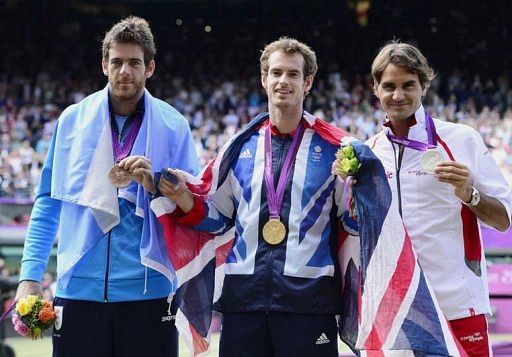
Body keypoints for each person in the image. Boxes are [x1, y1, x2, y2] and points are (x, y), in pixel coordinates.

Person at [145, 37, 356, 357]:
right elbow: (217, 218)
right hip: (244, 305)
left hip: (309, 307)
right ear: (264, 79)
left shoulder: (335, 150)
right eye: (276, 72)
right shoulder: (239, 147)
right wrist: (182, 198)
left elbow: (353, 223)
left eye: (293, 74)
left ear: (307, 82)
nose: (283, 81)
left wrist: (362, 184)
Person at [15, 16, 200, 357]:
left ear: (150, 68)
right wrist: (30, 276)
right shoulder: (72, 121)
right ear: (104, 65)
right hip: (78, 292)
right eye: (117, 62)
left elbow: (195, 208)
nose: (125, 72)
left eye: (134, 63)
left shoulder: (174, 126)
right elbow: (47, 203)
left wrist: (158, 183)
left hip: (151, 292)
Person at [366, 40, 512, 356]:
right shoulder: (369, 153)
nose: (398, 95)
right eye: (389, 85)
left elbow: (503, 220)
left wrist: (468, 195)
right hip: (399, 310)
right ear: (376, 88)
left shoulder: (462, 139)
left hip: (456, 303)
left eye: (408, 85)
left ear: (425, 86)